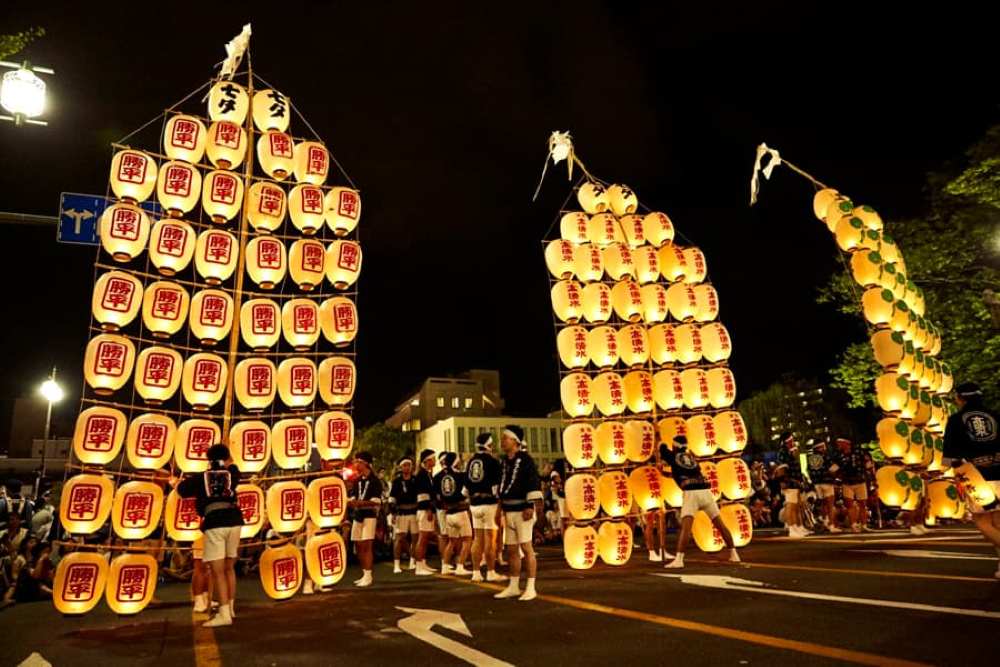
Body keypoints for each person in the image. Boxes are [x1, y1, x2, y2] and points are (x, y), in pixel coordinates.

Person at [177, 444, 243, 627]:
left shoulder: (201, 478)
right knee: (229, 568)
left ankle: (223, 615)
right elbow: (234, 468)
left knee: (217, 571)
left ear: (209, 459)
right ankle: (230, 608)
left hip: (215, 522)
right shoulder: (232, 474)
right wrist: (228, 461)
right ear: (227, 458)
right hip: (235, 520)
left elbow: (181, 490)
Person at [943, 381, 1000, 576]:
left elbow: (950, 454)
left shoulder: (957, 420)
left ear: (961, 398)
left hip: (976, 475)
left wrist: (945, 470)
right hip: (999, 472)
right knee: (998, 522)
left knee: (982, 521)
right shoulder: (995, 415)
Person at [660, 437, 740, 568]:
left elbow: (662, 448)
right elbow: (682, 472)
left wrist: (658, 435)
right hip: (705, 492)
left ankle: (679, 559)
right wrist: (665, 473)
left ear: (674, 446)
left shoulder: (673, 455)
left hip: (691, 494)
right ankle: (734, 554)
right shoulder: (690, 457)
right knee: (720, 524)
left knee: (686, 528)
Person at [494, 425, 543, 601]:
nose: (502, 441)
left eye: (505, 438)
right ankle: (514, 586)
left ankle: (531, 587)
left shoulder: (526, 460)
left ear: (515, 441)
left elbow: (533, 482)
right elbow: (501, 486)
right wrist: (499, 509)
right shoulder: (504, 461)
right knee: (512, 550)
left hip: (523, 510)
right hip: (508, 511)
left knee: (526, 548)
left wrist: (530, 505)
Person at [466, 433, 505, 583]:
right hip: (489, 503)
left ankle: (476, 572)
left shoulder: (470, 462)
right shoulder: (493, 462)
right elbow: (497, 489)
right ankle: (490, 571)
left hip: (474, 503)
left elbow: (465, 490)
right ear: (489, 446)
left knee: (477, 539)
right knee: (491, 539)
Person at [435, 452, 473, 575]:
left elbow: (438, 496)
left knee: (451, 541)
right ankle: (460, 566)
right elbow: (465, 492)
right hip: (460, 512)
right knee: (467, 540)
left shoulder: (438, 477)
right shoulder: (460, 475)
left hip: (448, 513)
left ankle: (445, 566)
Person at [348, 451, 382, 587]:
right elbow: (354, 497)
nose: (355, 464)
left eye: (358, 462)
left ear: (365, 463)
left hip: (369, 515)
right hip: (358, 515)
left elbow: (377, 502)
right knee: (358, 545)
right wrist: (352, 502)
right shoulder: (357, 481)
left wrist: (362, 503)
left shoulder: (375, 481)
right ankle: (364, 573)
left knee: (367, 546)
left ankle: (369, 575)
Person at [388, 455, 419, 574]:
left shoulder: (415, 480)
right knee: (399, 538)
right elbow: (392, 498)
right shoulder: (397, 481)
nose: (407, 467)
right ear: (401, 467)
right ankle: (396, 564)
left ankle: (413, 560)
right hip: (401, 512)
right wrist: (393, 513)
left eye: (409, 465)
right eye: (404, 465)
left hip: (414, 512)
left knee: (415, 538)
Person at [775, 433, 809, 538]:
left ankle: (796, 527)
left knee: (794, 506)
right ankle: (791, 528)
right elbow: (781, 468)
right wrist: (783, 482)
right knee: (791, 505)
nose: (793, 442)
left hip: (794, 482)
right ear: (787, 441)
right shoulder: (783, 452)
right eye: (791, 440)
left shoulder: (789, 452)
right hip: (789, 482)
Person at [412, 449, 438, 576]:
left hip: (427, 509)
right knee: (422, 539)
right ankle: (418, 566)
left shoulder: (427, 473)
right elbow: (422, 495)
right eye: (433, 458)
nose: (435, 460)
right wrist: (428, 509)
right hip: (424, 510)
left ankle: (422, 563)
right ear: (427, 460)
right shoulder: (422, 475)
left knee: (425, 538)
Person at [807, 441, 841, 533]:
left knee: (822, 504)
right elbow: (833, 469)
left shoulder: (810, 458)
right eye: (823, 447)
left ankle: (825, 522)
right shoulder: (826, 457)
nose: (825, 448)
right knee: (830, 505)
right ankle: (831, 525)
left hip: (817, 484)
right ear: (819, 448)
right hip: (827, 482)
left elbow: (809, 471)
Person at [434, 451, 452, 565]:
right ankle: (445, 561)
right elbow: (436, 495)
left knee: (449, 535)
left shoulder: (438, 476)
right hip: (443, 508)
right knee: (444, 535)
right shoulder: (438, 477)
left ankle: (448, 560)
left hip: (449, 508)